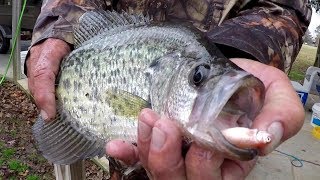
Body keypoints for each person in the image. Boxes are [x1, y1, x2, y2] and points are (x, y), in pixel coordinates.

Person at [25, 0, 311, 179]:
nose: (202, 82)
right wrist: (58, 26)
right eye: (198, 78)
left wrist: (235, 54)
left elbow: (283, 6)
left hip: (218, 164)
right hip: (125, 160)